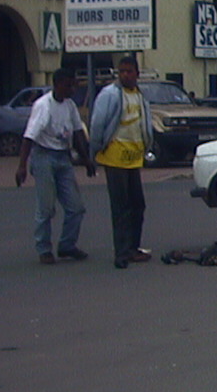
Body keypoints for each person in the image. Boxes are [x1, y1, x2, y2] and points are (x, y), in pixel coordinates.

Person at [14, 68, 95, 264]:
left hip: (63, 157)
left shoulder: (69, 106)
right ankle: (44, 248)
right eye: (69, 85)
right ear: (57, 84)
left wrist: (86, 160)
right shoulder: (43, 106)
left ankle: (67, 245)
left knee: (76, 207)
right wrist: (22, 166)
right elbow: (29, 137)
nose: (73, 88)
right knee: (46, 207)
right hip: (44, 156)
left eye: (74, 84)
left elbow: (77, 133)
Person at [89, 56, 153, 269]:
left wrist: (147, 146)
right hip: (115, 157)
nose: (125, 75)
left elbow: (145, 123)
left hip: (134, 158)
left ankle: (134, 247)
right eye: (122, 71)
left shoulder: (139, 96)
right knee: (121, 207)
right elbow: (98, 123)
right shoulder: (109, 95)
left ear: (137, 73)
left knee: (137, 205)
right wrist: (94, 150)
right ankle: (121, 252)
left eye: (129, 71)